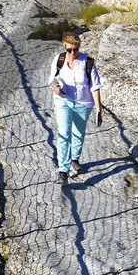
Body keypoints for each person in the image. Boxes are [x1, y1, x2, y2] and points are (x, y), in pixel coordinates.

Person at [48, 31, 103, 183]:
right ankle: (63, 170)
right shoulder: (58, 60)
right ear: (64, 48)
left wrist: (99, 109)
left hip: (83, 103)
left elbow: (95, 87)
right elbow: (52, 79)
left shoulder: (88, 62)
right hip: (63, 100)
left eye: (76, 49)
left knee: (78, 133)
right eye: (69, 50)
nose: (73, 53)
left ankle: (75, 159)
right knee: (64, 134)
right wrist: (56, 88)